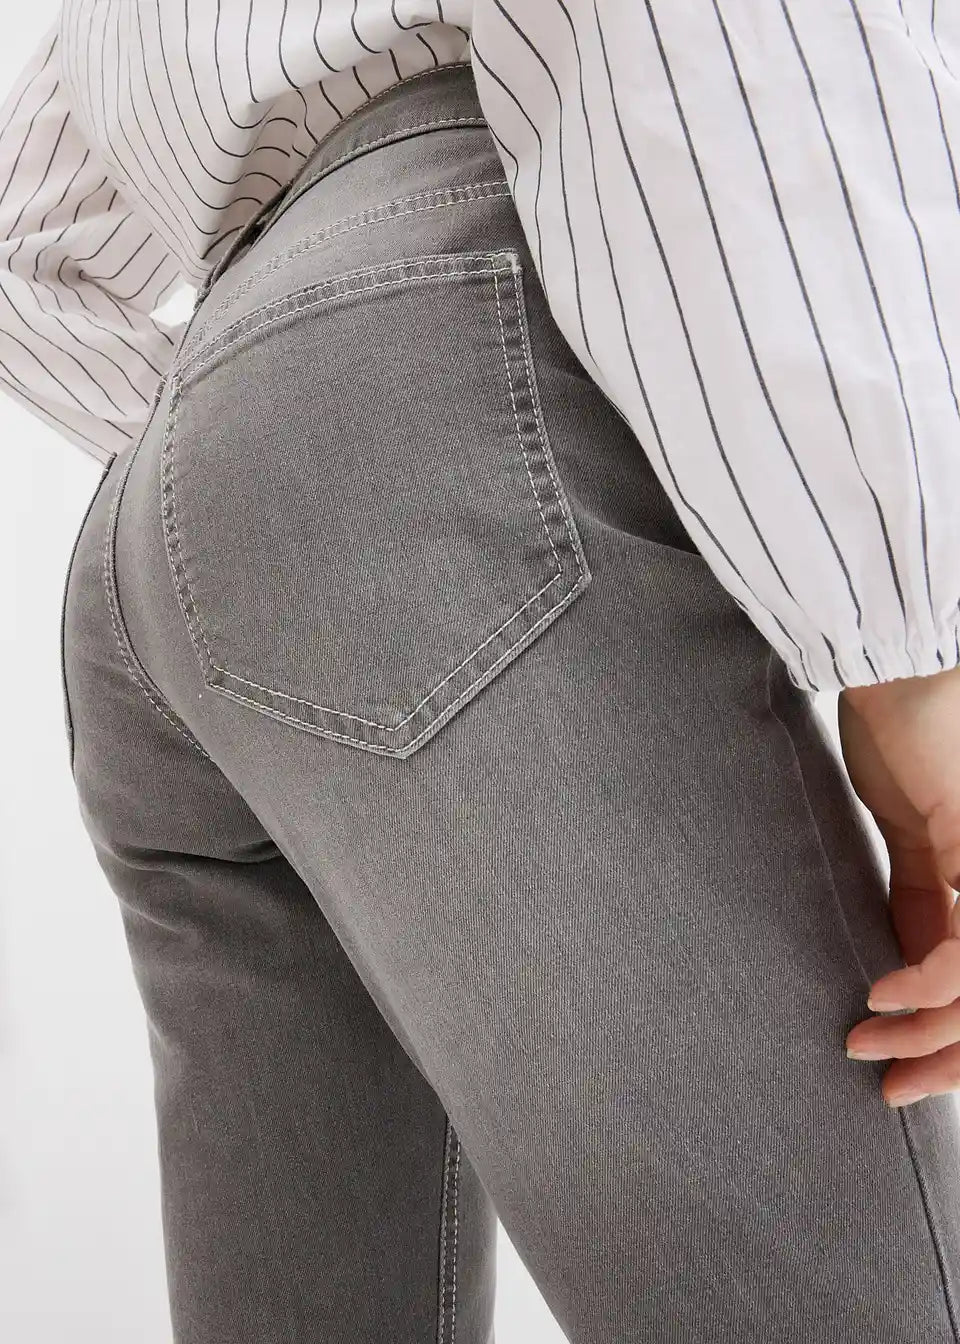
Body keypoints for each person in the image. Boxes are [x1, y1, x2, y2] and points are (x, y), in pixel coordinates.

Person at [3, 2, 960, 1340]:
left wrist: (265, 443)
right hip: (443, 365)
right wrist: (904, 647)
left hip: (165, 545)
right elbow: (721, 49)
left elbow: (22, 243)